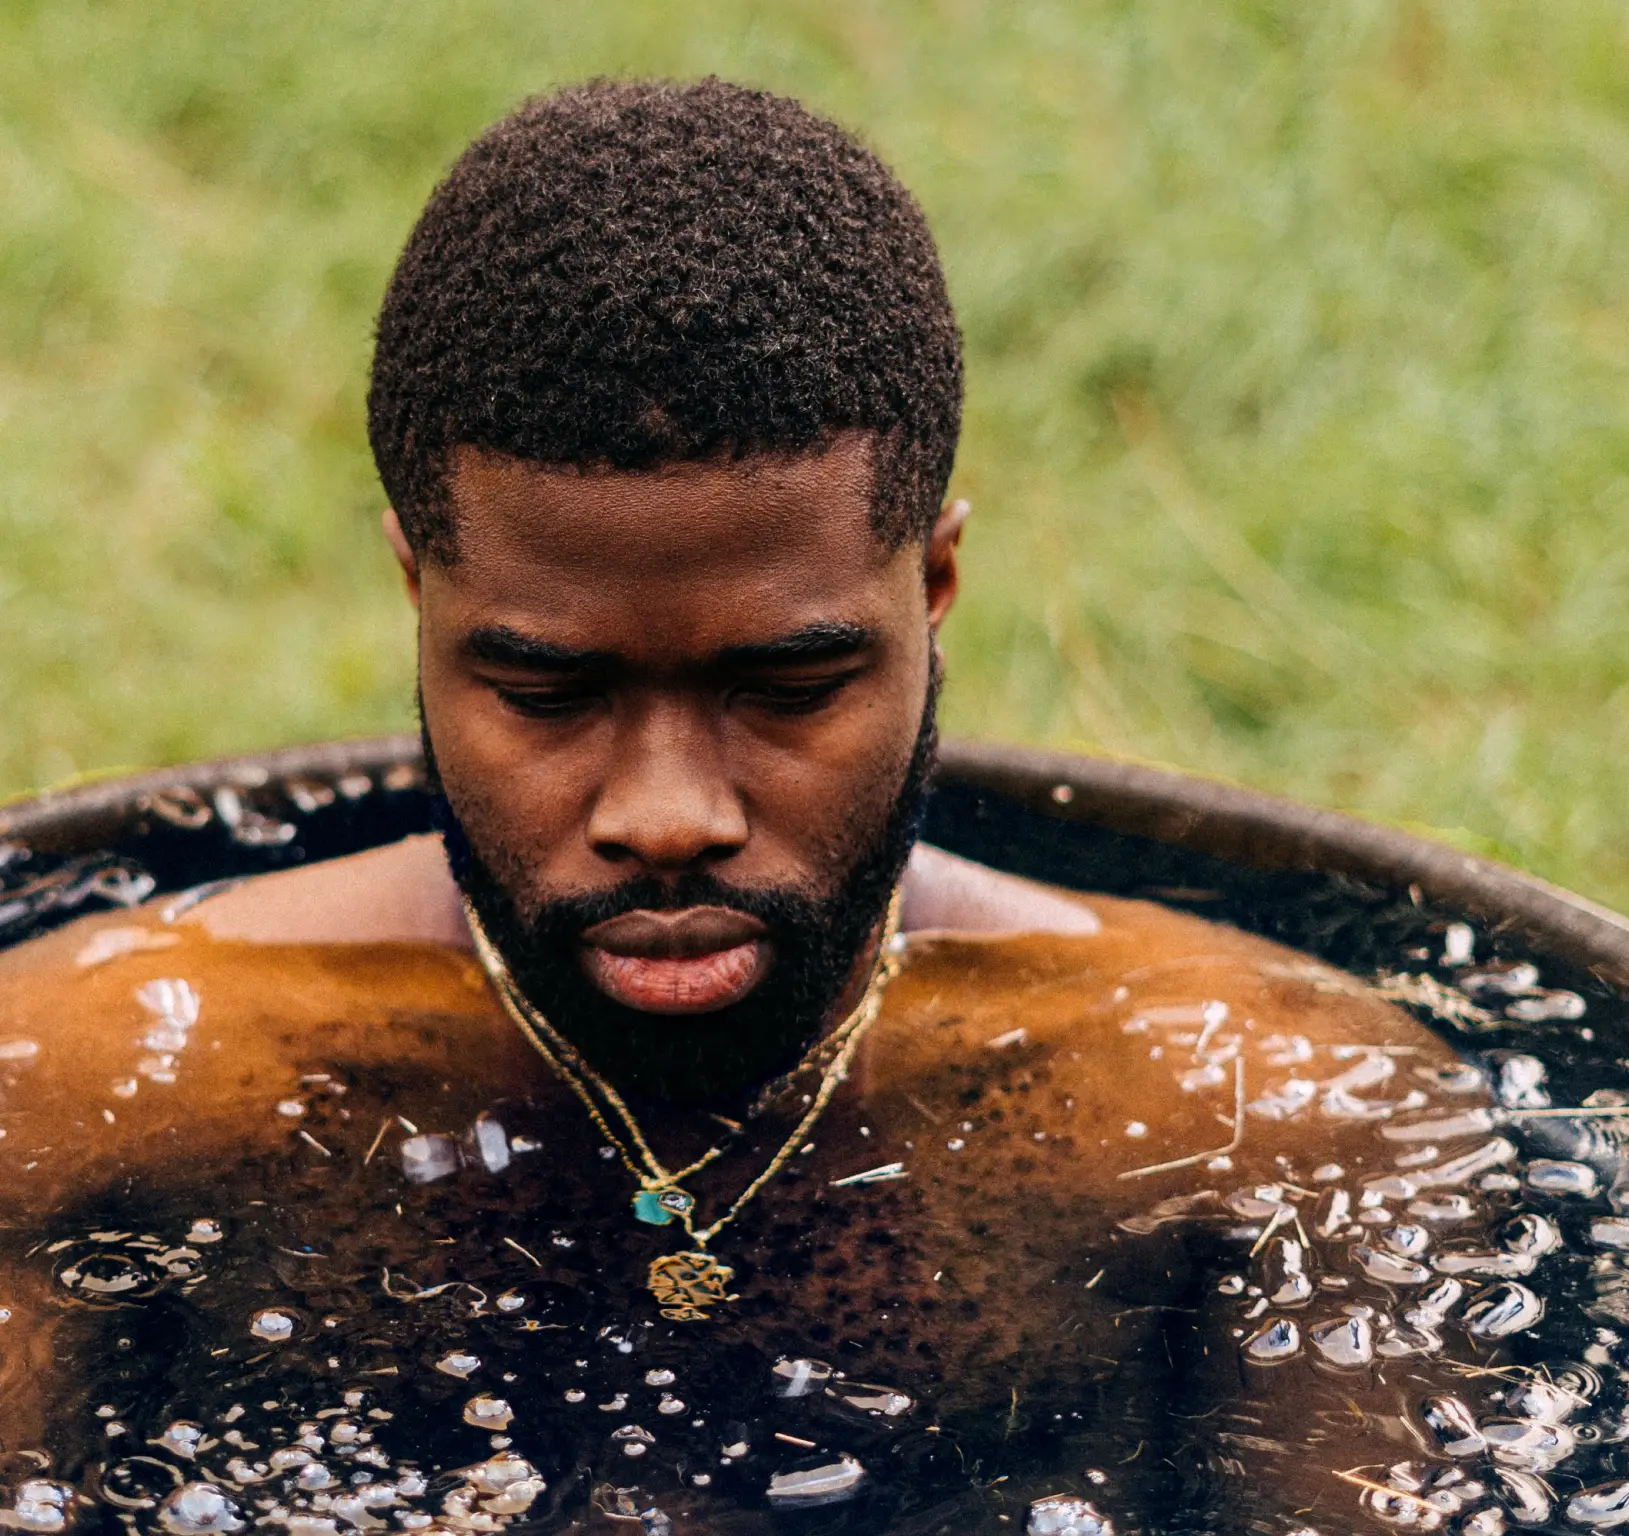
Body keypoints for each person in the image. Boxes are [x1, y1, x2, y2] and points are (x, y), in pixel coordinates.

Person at [0, 79, 1487, 1535]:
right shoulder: (92, 1089)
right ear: (418, 595)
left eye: (788, 687)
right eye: (547, 693)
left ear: (935, 590)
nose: (666, 815)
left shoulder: (1245, 1112)